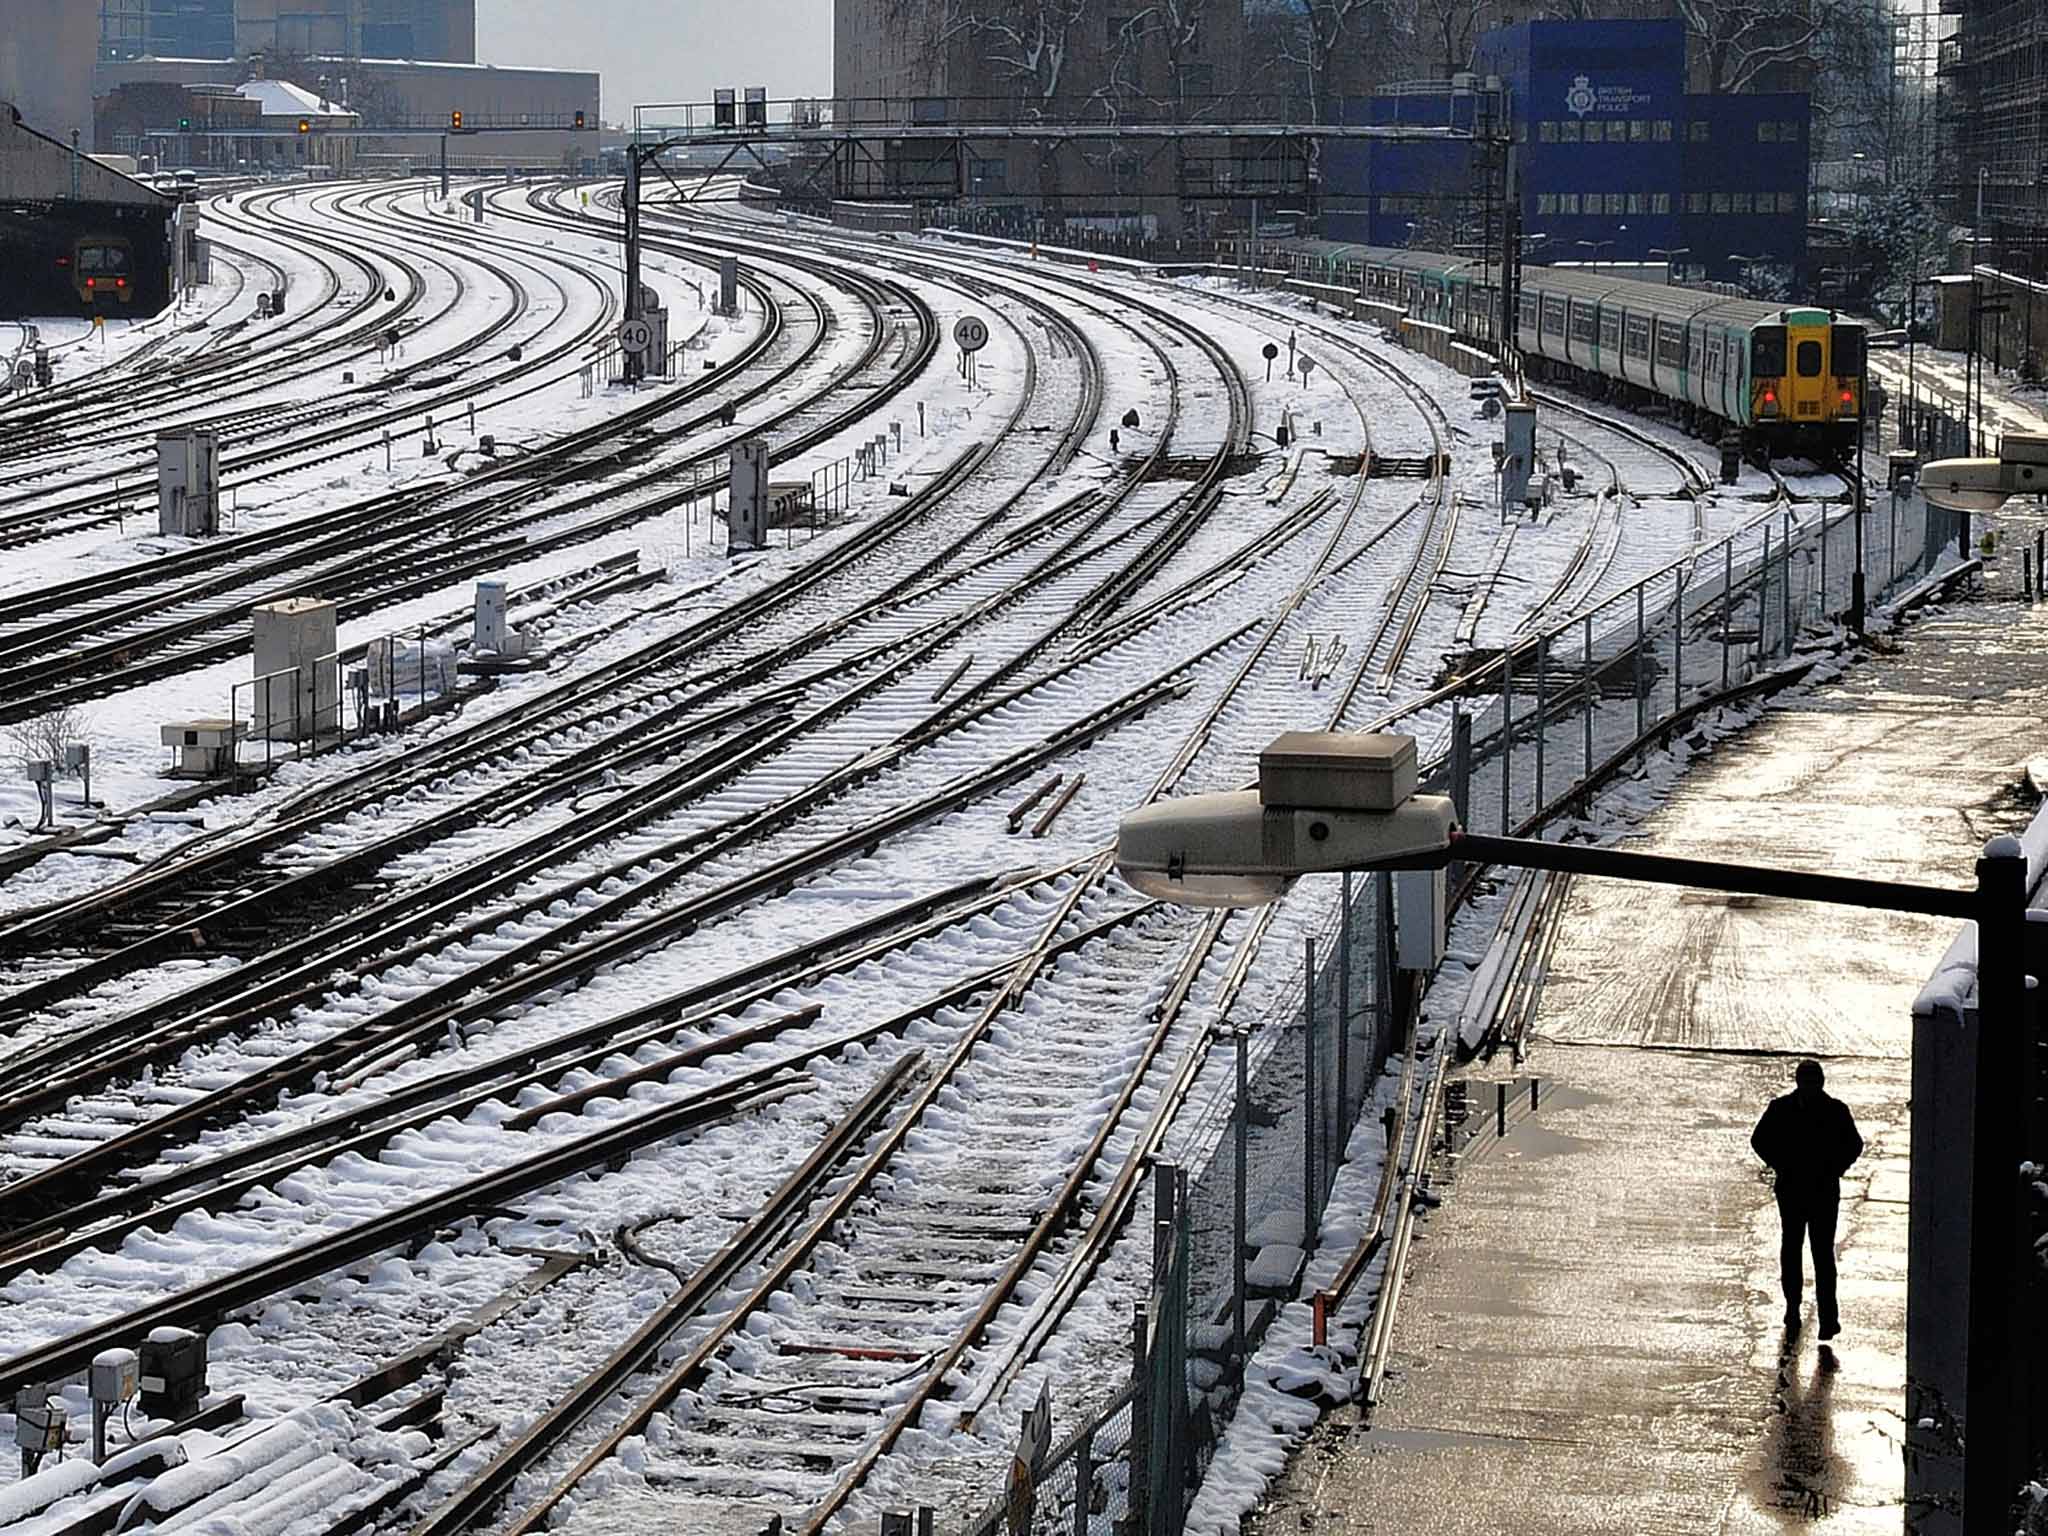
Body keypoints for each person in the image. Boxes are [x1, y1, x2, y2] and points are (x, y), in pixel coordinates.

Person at [1751, 1059, 1863, 1338]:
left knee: (1801, 1250)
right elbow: (1854, 1145)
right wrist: (1834, 1168)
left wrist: (1780, 1163)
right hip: (1814, 1190)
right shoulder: (1834, 1110)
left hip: (1802, 1189)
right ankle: (1815, 1314)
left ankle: (1810, 1313)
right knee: (1814, 1252)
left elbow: (1759, 1140)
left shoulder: (1784, 1109)